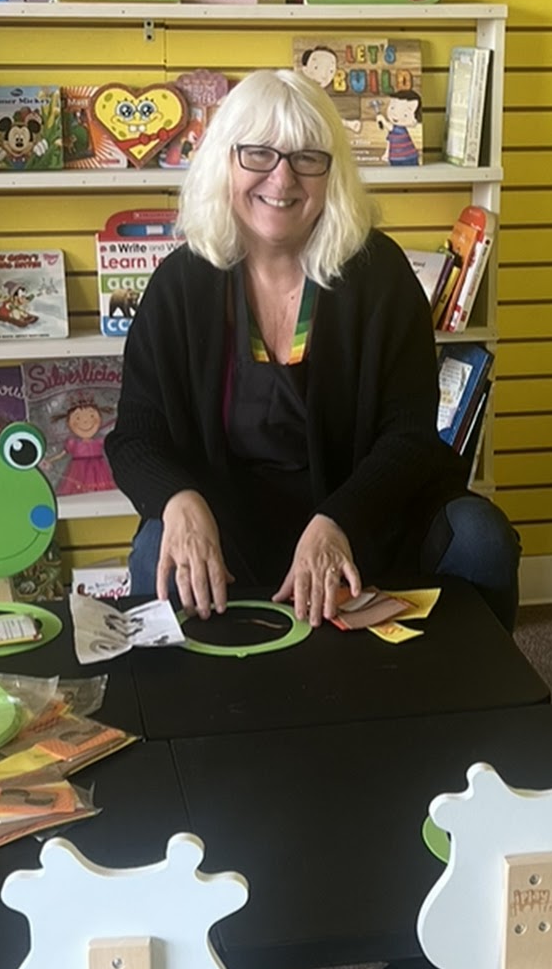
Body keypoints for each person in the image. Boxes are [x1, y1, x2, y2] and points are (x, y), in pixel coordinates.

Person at [108, 67, 521, 628]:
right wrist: (179, 500)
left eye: (307, 158)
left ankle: (483, 684)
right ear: (224, 162)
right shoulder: (179, 285)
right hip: (229, 535)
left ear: (333, 173)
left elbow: (410, 438)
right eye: (258, 154)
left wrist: (337, 521)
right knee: (152, 548)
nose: (282, 179)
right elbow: (135, 437)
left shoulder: (381, 276)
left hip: (367, 521)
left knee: (481, 538)